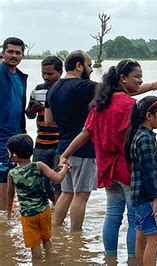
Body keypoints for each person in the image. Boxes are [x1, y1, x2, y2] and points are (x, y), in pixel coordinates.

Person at [60, 59, 157, 258]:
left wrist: (66, 153)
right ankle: (131, 258)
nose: (140, 81)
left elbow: (86, 132)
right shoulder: (130, 106)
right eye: (136, 77)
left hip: (106, 167)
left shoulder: (100, 104)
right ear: (123, 78)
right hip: (128, 170)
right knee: (134, 217)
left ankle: (109, 258)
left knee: (112, 216)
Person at [44, 50, 97, 231]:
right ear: (79, 66)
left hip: (64, 148)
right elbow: (117, 91)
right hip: (83, 147)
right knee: (81, 195)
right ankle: (76, 236)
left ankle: (56, 230)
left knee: (66, 193)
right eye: (89, 65)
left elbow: (48, 120)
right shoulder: (84, 87)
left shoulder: (53, 89)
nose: (90, 69)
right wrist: (153, 85)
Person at [6, 134, 69, 260]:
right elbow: (57, 178)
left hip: (28, 216)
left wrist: (9, 212)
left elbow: (10, 194)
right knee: (47, 239)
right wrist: (65, 168)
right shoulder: (38, 166)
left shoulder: (12, 174)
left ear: (14, 155)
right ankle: (52, 261)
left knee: (35, 246)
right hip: (44, 211)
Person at [124, 96, 157, 266]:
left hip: (139, 196)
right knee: (155, 239)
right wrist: (156, 200)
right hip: (147, 198)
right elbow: (149, 172)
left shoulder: (139, 135)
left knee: (142, 235)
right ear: (149, 116)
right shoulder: (145, 139)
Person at [25, 56, 63, 203]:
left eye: (50, 73)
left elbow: (70, 116)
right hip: (41, 142)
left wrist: (48, 109)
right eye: (43, 73)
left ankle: (59, 216)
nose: (46, 77)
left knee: (58, 182)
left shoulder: (64, 89)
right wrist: (33, 109)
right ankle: (52, 211)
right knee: (40, 181)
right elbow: (29, 115)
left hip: (59, 143)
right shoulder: (38, 89)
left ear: (60, 72)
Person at [0, 37, 28, 210]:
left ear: (22, 55)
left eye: (18, 52)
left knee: (14, 175)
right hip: (1, 135)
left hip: (17, 134)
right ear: (3, 53)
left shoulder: (20, 77)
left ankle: (8, 216)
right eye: (10, 51)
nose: (14, 55)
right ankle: (3, 218)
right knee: (2, 176)